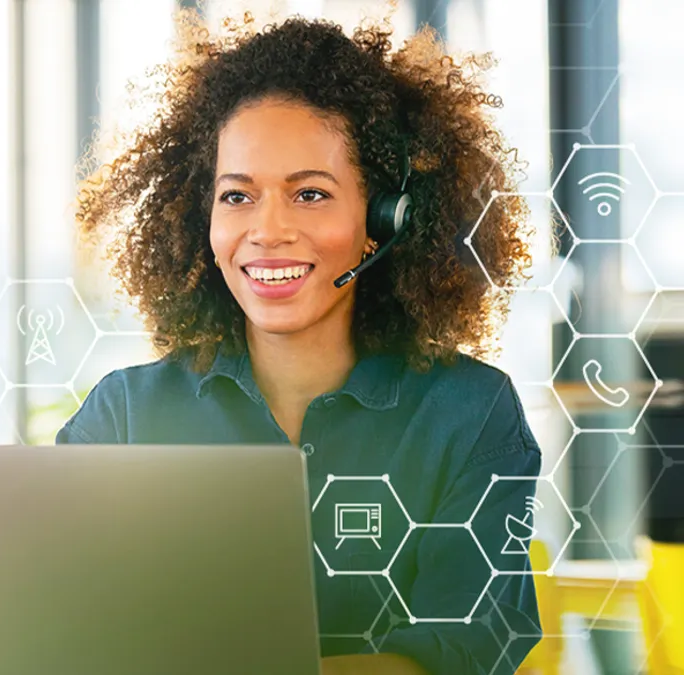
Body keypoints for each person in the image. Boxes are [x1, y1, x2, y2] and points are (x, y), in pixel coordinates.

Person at [57, 7, 543, 675]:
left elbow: (467, 649)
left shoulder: (470, 413)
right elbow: (60, 627)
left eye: (310, 194)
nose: (268, 230)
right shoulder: (125, 416)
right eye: (237, 197)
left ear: (382, 220)